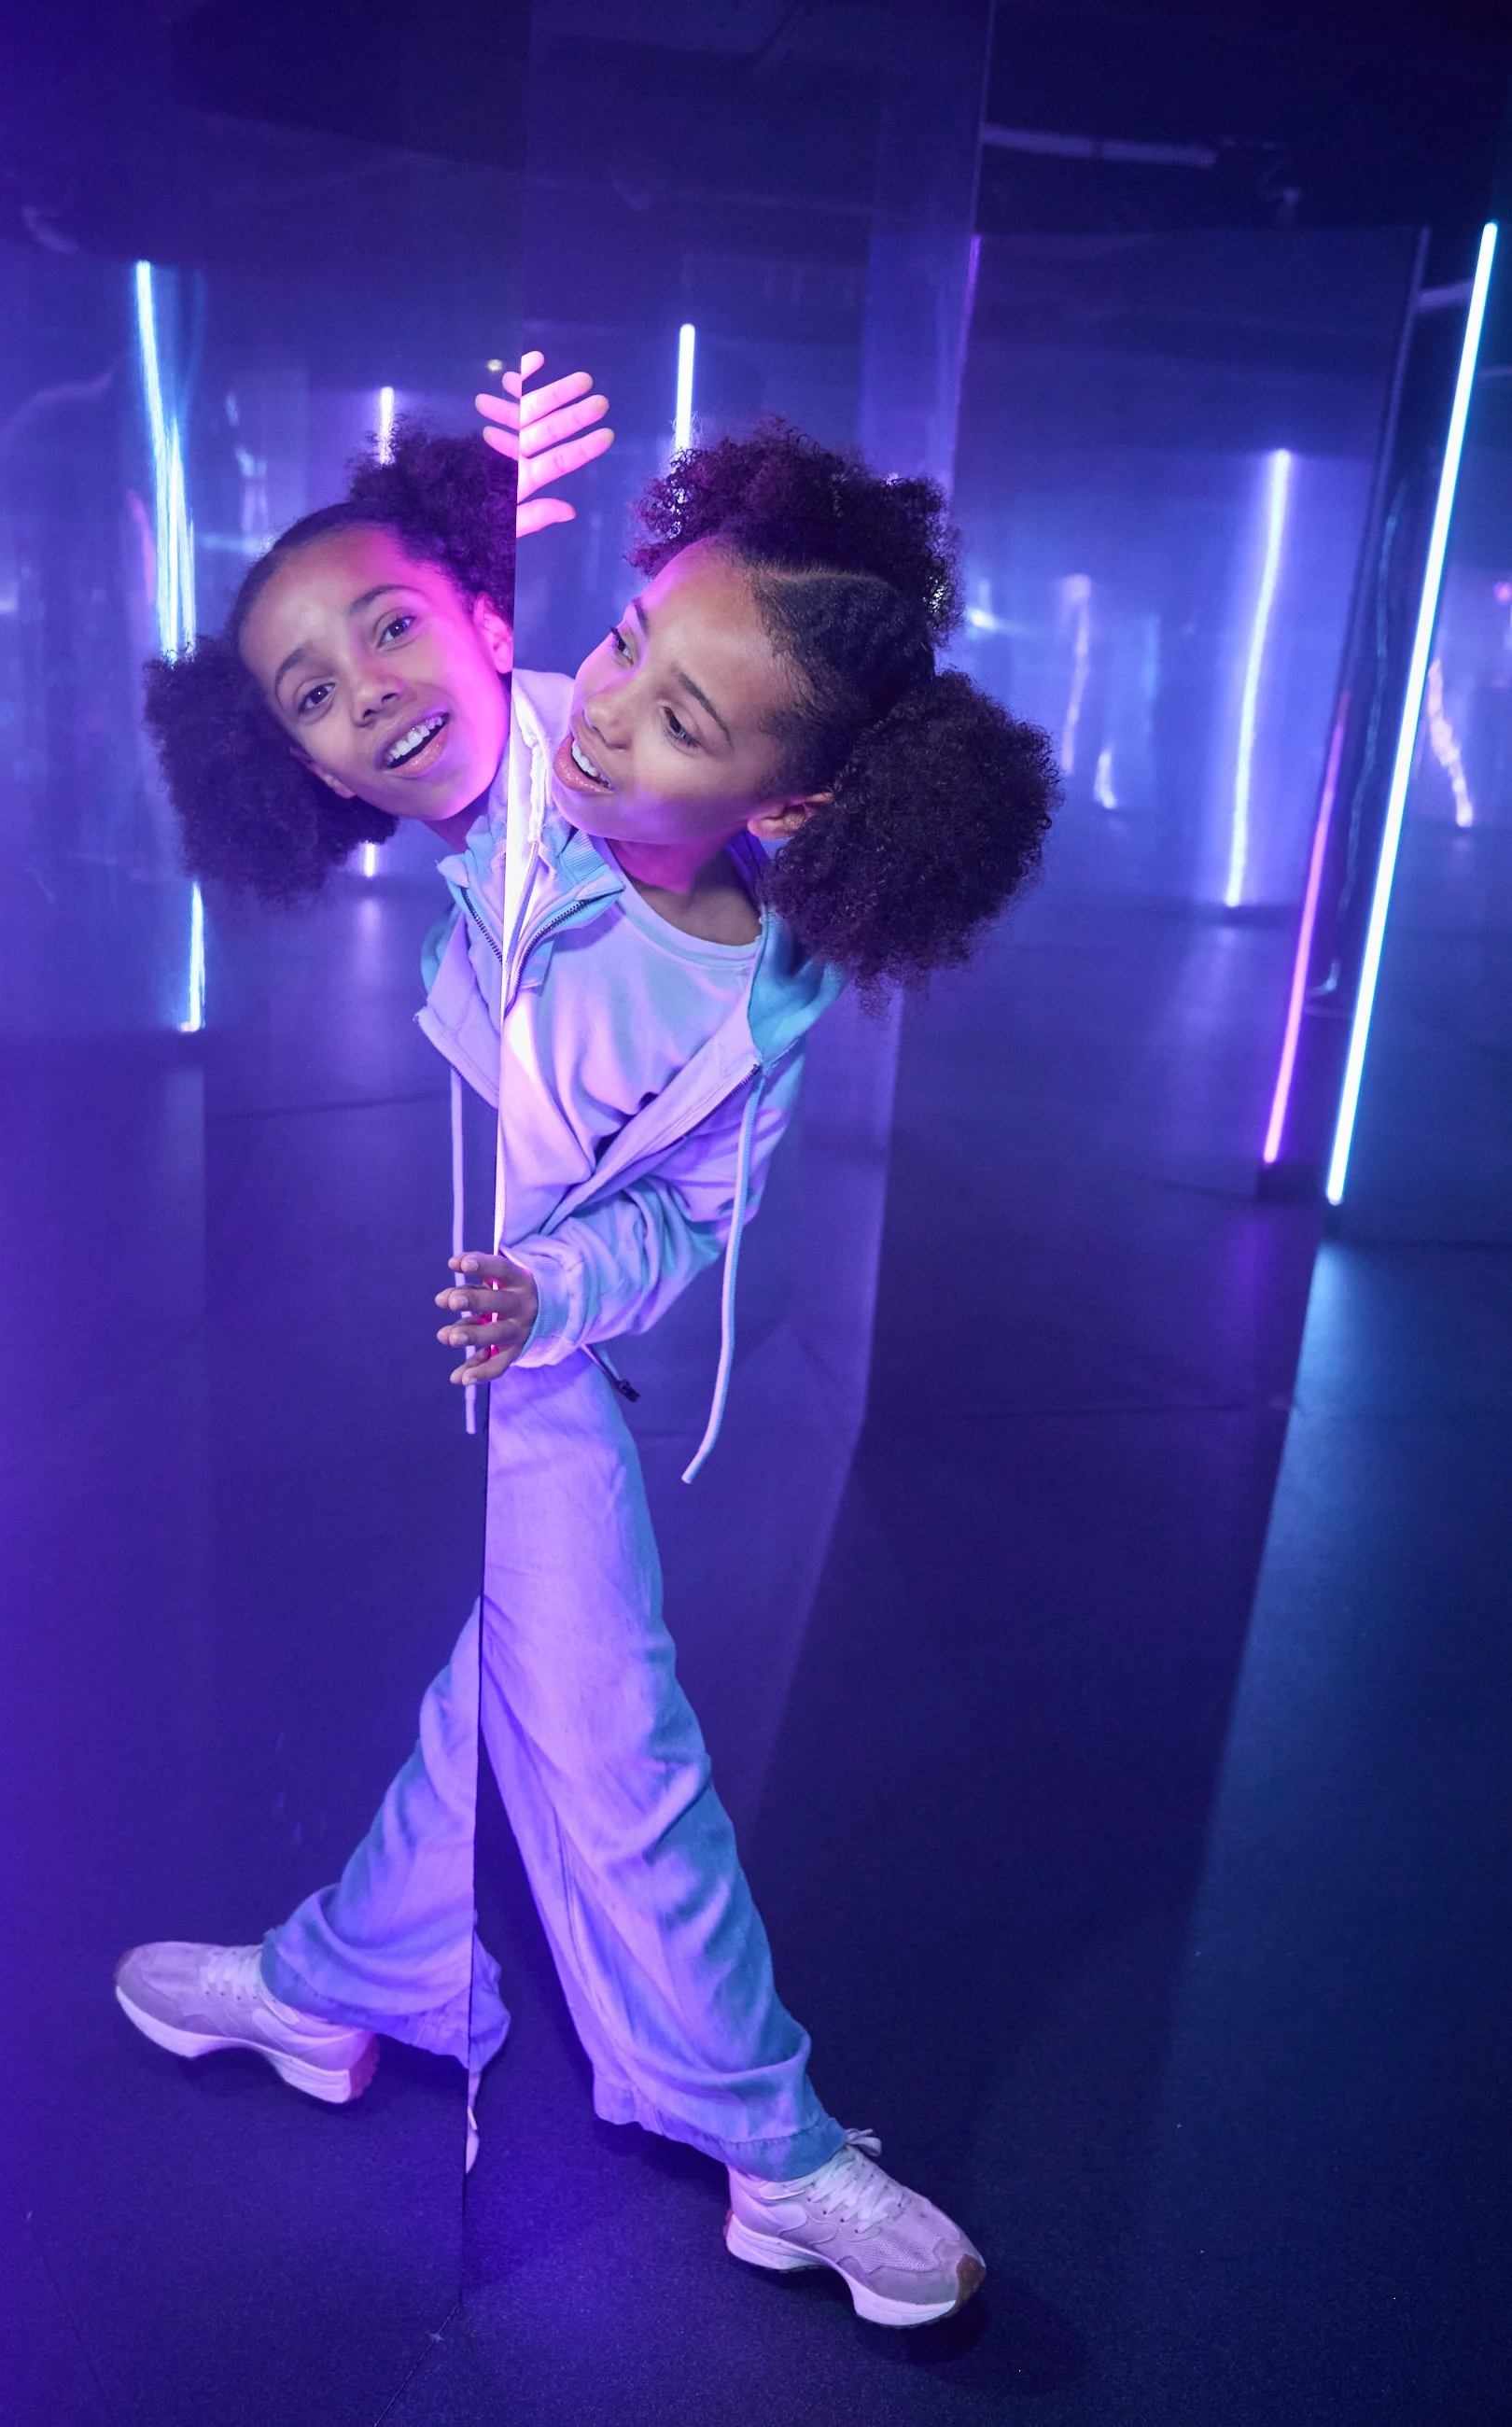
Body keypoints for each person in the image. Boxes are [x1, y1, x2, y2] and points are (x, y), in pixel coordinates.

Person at [119, 383, 1059, 2328]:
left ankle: (742, 2130)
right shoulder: (534, 729)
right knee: (547, 1699)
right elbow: (490, 679)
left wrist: (559, 1287)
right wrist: (479, 520)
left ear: (784, 804)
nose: (609, 709)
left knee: (596, 1737)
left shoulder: (757, 993)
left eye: (679, 715)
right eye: (309, 689)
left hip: (556, 1353)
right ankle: (375, 1993)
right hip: (523, 1361)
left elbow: (692, 1219)